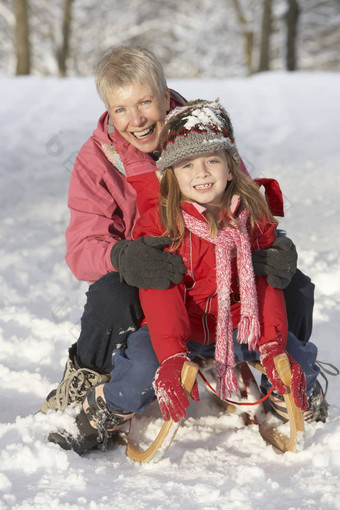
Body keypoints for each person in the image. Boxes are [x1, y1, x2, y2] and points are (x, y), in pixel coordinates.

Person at [42, 45, 315, 419]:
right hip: (153, 275)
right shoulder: (97, 160)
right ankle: (91, 378)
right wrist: (121, 256)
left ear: (165, 94)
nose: (136, 120)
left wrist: (275, 245)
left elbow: (241, 198)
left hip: (213, 270)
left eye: (145, 103)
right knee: (110, 294)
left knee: (291, 282)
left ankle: (285, 380)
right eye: (121, 109)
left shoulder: (201, 131)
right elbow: (81, 247)